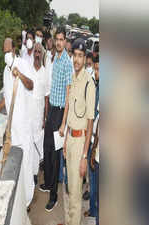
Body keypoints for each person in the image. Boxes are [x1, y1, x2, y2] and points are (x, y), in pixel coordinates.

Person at [0, 37, 35, 209]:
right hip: (11, 127)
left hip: (23, 124)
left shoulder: (22, 63)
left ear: (13, 51)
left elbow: (31, 84)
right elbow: (6, 96)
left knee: (24, 161)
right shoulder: (5, 70)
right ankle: (18, 198)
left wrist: (19, 73)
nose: (6, 54)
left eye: (7, 51)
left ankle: (27, 200)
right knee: (13, 160)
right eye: (4, 51)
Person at [40, 27, 73, 213]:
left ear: (65, 40)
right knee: (47, 150)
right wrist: (48, 114)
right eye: (57, 39)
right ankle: (48, 183)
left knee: (54, 156)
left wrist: (63, 123)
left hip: (60, 113)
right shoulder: (56, 59)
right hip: (52, 110)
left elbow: (68, 95)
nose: (59, 42)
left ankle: (54, 197)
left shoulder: (67, 62)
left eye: (62, 39)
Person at [63, 38, 95, 225]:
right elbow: (71, 116)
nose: (76, 59)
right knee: (69, 189)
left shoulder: (89, 84)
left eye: (80, 56)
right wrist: (66, 140)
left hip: (81, 142)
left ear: (85, 59)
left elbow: (90, 122)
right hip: (70, 139)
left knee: (75, 195)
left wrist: (84, 156)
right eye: (74, 55)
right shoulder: (73, 78)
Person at [29, 42, 50, 185]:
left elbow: (47, 97)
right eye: (35, 52)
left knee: (37, 144)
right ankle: (28, 172)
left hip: (39, 115)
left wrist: (45, 118)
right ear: (33, 54)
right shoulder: (27, 70)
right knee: (28, 143)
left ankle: (35, 173)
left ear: (42, 54)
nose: (37, 54)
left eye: (39, 52)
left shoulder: (45, 72)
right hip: (28, 114)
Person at [84, 54, 99, 220]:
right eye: (95, 69)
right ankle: (93, 210)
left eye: (98, 69)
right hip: (93, 138)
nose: (96, 72)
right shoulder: (95, 85)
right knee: (93, 180)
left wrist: (94, 148)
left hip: (98, 144)